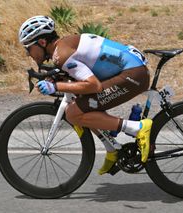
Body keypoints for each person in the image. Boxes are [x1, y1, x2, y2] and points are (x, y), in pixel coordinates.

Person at [18, 15, 153, 175]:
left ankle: (138, 128)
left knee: (74, 113)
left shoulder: (61, 55)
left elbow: (93, 85)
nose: (28, 54)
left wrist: (55, 86)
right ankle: (112, 148)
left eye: (28, 48)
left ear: (41, 42)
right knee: (80, 106)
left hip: (132, 75)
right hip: (132, 69)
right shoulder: (63, 45)